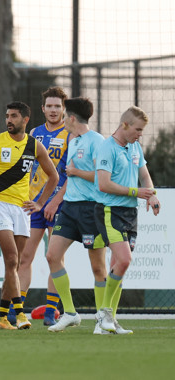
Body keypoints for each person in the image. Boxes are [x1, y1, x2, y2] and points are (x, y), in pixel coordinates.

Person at [0, 101, 59, 330]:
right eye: (6, 116)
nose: (8, 120)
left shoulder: (34, 145)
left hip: (22, 209)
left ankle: (2, 318)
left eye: (13, 116)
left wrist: (40, 203)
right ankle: (21, 313)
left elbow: (53, 177)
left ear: (25, 119)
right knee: (12, 259)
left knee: (13, 265)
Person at [43, 97, 108, 333]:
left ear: (71, 118)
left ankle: (103, 318)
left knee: (98, 267)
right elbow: (70, 177)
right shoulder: (73, 140)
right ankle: (70, 313)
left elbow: (103, 178)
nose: (62, 120)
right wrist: (56, 200)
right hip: (70, 208)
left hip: (92, 209)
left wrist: (77, 172)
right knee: (52, 255)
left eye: (64, 116)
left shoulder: (97, 141)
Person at [94, 106, 160, 334]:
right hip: (110, 211)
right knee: (124, 260)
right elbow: (103, 184)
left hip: (131, 214)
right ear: (124, 125)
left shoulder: (135, 147)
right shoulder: (106, 147)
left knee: (117, 266)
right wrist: (135, 192)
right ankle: (104, 314)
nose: (140, 134)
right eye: (138, 129)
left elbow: (144, 175)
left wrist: (151, 196)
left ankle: (108, 321)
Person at [17, 87, 69, 326]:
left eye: (57, 106)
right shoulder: (34, 133)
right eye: (49, 106)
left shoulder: (70, 134)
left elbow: (71, 175)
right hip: (33, 203)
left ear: (63, 109)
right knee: (24, 257)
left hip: (58, 204)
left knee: (54, 258)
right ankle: (16, 311)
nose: (53, 110)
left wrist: (55, 201)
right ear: (42, 109)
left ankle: (51, 311)